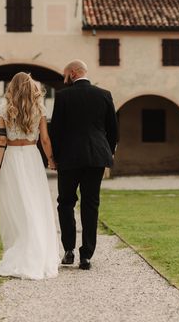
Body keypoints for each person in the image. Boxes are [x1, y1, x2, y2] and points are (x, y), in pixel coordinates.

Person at [0, 72, 60, 279]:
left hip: (12, 158)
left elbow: (1, 140)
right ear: (31, 88)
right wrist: (51, 160)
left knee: (16, 205)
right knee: (34, 203)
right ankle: (36, 250)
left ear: (12, 87)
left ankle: (21, 248)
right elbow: (45, 139)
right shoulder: (39, 108)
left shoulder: (4, 109)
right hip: (31, 157)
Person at [50, 60, 118, 270]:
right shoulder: (104, 94)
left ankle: (69, 250)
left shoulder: (62, 96)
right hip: (96, 156)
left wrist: (54, 157)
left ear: (72, 73)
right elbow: (113, 129)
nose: (64, 79)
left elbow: (56, 130)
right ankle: (86, 255)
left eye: (65, 75)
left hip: (69, 158)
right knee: (91, 204)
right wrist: (109, 150)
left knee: (66, 202)